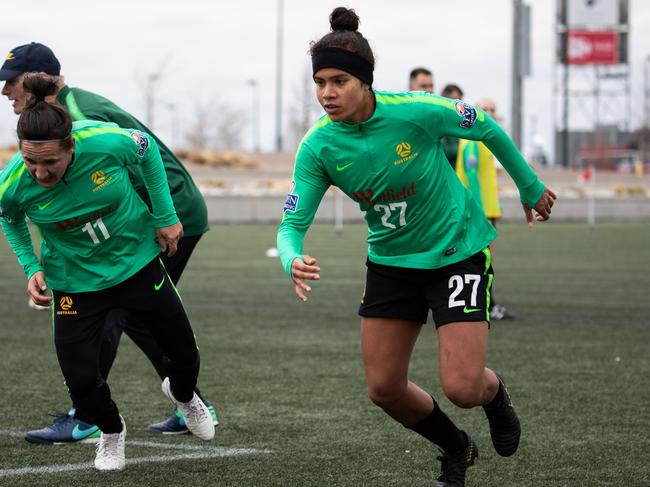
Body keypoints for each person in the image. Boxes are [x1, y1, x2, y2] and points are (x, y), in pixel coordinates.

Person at [276, 7, 556, 487]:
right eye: (320, 81)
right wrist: (292, 257)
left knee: (463, 388)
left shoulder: (417, 110)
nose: (327, 93)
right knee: (384, 388)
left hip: (457, 250)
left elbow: (483, 125)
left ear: (365, 82)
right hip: (390, 263)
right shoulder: (318, 147)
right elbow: (291, 224)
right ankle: (456, 447)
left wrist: (529, 187)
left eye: (339, 80)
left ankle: (495, 395)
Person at [0, 42, 218, 442]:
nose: (5, 91)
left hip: (163, 210)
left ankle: (89, 415)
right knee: (127, 309)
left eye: (10, 82)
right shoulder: (46, 133)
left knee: (117, 304)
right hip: (148, 214)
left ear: (36, 86)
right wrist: (32, 265)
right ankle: (183, 399)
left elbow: (124, 170)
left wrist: (160, 218)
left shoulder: (78, 117)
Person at [455, 97, 514, 321]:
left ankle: (481, 303)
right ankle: (483, 305)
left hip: (488, 210)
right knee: (480, 261)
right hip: (478, 212)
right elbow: (471, 175)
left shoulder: (484, 140)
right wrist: (480, 213)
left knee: (482, 260)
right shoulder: (472, 140)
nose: (490, 112)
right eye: (485, 109)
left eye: (493, 109)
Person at [440, 83, 465, 169]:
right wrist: (465, 147)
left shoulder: (462, 122)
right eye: (455, 101)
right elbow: (443, 151)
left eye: (461, 101)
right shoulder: (439, 122)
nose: (459, 106)